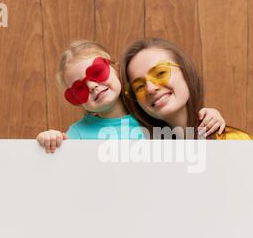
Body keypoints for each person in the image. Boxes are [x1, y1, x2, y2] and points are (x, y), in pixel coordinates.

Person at [37, 40, 226, 153]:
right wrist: (51, 138)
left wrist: (210, 115)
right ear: (75, 99)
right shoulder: (77, 133)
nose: (92, 86)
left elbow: (184, 131)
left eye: (97, 73)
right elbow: (63, 166)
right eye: (79, 88)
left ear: (116, 68)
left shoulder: (147, 113)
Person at [121, 38, 253, 140]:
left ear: (185, 72)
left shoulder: (235, 142)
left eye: (161, 73)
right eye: (139, 86)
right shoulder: (144, 152)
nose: (150, 88)